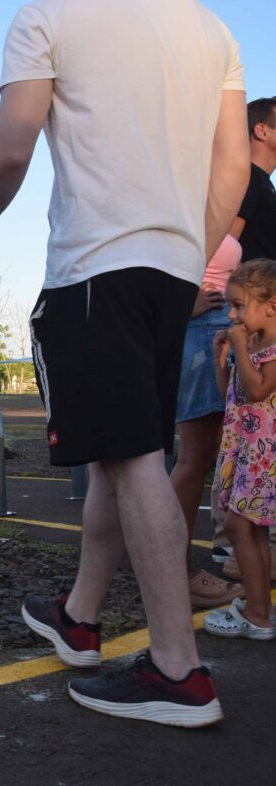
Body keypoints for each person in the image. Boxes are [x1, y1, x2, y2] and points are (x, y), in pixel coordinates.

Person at [0, 0, 250, 727]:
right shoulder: (210, 25)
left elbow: (13, 146)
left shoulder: (47, 16)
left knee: (128, 455)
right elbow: (233, 167)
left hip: (94, 267)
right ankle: (81, 616)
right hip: (171, 271)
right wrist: (190, 258)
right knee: (127, 446)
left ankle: (179, 670)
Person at [215, 96, 276, 581]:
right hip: (253, 329)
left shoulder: (262, 185)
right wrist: (228, 308)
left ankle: (247, 562)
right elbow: (228, 244)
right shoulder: (249, 181)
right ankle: (234, 555)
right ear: (261, 130)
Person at [169, 237, 244, 610]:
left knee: (212, 456)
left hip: (220, 325)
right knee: (194, 459)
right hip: (203, 330)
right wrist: (180, 304)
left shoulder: (210, 192)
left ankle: (178, 572)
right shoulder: (181, 194)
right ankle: (175, 574)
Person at [203, 260, 276, 640]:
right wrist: (223, 363)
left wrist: (241, 352)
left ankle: (259, 615)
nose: (232, 315)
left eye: (238, 306)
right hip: (246, 452)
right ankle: (260, 608)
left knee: (237, 525)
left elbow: (258, 390)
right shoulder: (252, 345)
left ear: (271, 307)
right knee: (253, 531)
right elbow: (233, 397)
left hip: (263, 458)